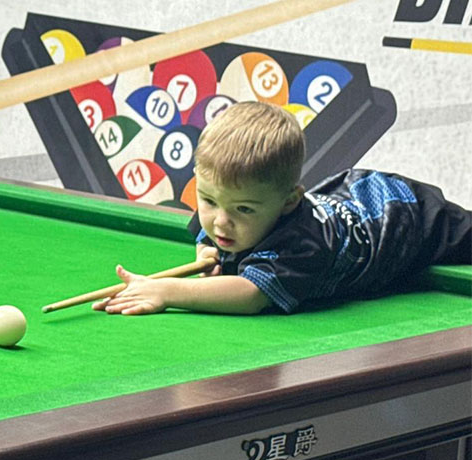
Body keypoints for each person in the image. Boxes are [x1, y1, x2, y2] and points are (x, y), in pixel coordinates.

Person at [94, 101, 471, 316]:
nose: (220, 222)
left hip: (406, 215)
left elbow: (251, 294)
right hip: (347, 196)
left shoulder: (304, 243)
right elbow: (208, 232)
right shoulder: (222, 207)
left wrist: (166, 291)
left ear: (289, 202)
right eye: (208, 201)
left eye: (244, 210)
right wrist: (206, 253)